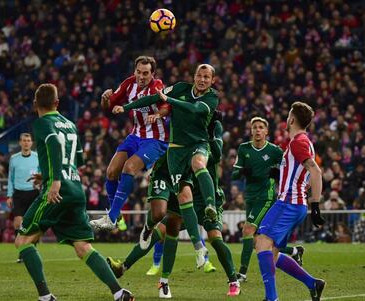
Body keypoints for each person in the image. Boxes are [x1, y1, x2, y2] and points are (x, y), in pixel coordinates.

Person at [14, 84, 134, 301]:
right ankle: (119, 293)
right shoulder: (70, 124)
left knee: (23, 241)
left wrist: (55, 180)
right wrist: (50, 174)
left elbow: (52, 143)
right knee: (83, 247)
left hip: (57, 191)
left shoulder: (42, 123)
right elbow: (78, 160)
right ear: (57, 103)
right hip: (76, 189)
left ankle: (45, 297)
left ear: (35, 105)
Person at [107, 113, 241, 298]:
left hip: (205, 197)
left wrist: (207, 134)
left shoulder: (212, 129)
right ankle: (125, 267)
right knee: (163, 230)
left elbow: (216, 154)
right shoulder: (182, 129)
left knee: (215, 239)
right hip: (185, 188)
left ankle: (234, 280)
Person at [113, 64, 219, 268]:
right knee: (182, 198)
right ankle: (198, 247)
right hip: (177, 151)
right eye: (199, 75)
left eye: (207, 77)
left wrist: (169, 100)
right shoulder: (180, 87)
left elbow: (195, 109)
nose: (202, 80)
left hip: (197, 145)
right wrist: (126, 107)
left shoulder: (212, 97)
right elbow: (154, 98)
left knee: (198, 164)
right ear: (194, 76)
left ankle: (210, 206)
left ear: (212, 80)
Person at [255, 102, 326, 301]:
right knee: (274, 254)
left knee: (261, 242)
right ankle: (314, 283)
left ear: (292, 119)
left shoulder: (297, 142)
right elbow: (304, 174)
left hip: (288, 203)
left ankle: (271, 299)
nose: (287, 119)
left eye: (288, 116)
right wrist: (281, 175)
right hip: (295, 203)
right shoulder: (305, 141)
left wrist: (316, 205)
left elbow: (315, 171)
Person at [90, 56, 169, 231]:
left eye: (146, 73)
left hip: (155, 139)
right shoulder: (129, 83)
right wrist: (105, 99)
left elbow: (166, 106)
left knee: (129, 167)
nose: (141, 77)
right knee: (111, 172)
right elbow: (109, 105)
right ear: (134, 71)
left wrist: (158, 115)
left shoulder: (157, 85)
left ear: (152, 74)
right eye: (139, 72)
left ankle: (111, 217)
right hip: (135, 136)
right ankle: (116, 216)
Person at [231, 117, 304, 282]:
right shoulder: (243, 149)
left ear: (266, 132)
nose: (257, 130)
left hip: (266, 197)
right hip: (250, 196)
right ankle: (293, 251)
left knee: (247, 230)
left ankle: (242, 273)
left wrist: (277, 173)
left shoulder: (275, 151)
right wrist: (242, 172)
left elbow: (287, 171)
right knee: (259, 238)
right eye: (254, 127)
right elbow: (234, 172)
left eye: (261, 127)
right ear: (251, 131)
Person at [7, 132, 40, 263]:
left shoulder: (37, 157)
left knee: (33, 224)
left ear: (31, 143)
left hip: (33, 193)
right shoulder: (14, 158)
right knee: (18, 223)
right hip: (19, 194)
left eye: (28, 140)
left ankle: (31, 252)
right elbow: (10, 178)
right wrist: (9, 195)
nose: (26, 142)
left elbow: (42, 174)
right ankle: (22, 252)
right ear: (20, 143)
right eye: (24, 140)